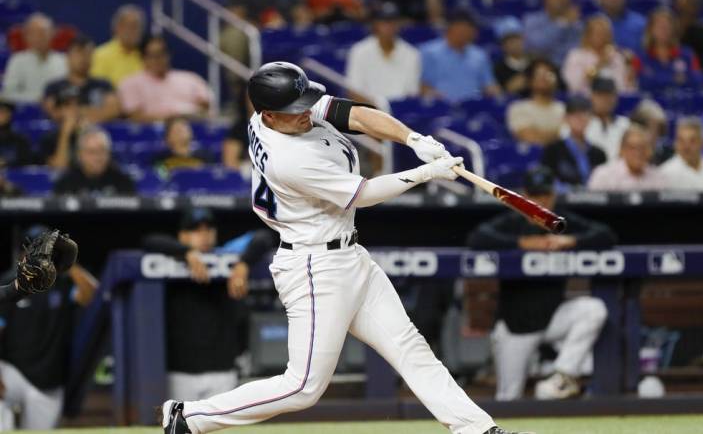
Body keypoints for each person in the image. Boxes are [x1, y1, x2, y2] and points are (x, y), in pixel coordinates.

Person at [160, 61, 530, 434]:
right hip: (314, 265)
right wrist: (424, 173)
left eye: (305, 104)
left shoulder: (282, 110)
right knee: (303, 387)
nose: (306, 113)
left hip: (348, 255)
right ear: (268, 116)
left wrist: (412, 139)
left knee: (408, 345)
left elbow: (354, 115)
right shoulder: (288, 159)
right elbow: (362, 194)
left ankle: (477, 429)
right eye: (295, 110)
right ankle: (189, 418)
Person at [467, 166, 615, 401]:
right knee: (508, 396)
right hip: (516, 326)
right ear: (523, 197)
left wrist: (571, 240)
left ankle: (563, 376)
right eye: (534, 196)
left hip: (553, 317)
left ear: (553, 195)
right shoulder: (511, 222)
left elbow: (605, 234)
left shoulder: (559, 221)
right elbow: (477, 238)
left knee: (593, 309)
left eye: (545, 195)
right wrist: (522, 243)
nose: (541, 201)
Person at [142, 209, 274, 402]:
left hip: (222, 371)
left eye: (208, 229)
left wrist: (244, 264)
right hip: (179, 374)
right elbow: (149, 240)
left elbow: (264, 236)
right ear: (183, 235)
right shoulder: (170, 257)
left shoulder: (227, 255)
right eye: (195, 230)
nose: (203, 235)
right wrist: (185, 252)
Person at [0, 226, 91, 430]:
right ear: (23, 255)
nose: (40, 260)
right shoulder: (9, 281)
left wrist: (69, 265)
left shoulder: (63, 283)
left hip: (48, 379)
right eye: (34, 254)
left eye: (46, 255)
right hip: (12, 372)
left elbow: (92, 295)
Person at [118, 36, 213, 123]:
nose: (158, 59)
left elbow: (206, 107)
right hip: (155, 133)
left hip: (193, 126)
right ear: (143, 58)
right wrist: (171, 119)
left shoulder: (190, 78)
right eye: (153, 55)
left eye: (162, 54)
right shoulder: (131, 83)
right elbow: (136, 117)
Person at [420, 8, 501, 103]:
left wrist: (496, 93)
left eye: (473, 28)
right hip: (441, 108)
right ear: (454, 27)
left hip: (472, 108)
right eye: (469, 27)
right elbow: (423, 86)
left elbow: (489, 85)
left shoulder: (479, 55)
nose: (473, 32)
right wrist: (432, 95)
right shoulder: (429, 52)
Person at [345, 2, 420, 102]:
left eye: (393, 22)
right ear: (376, 24)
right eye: (385, 22)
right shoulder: (359, 51)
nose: (389, 26)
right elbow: (353, 91)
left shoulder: (412, 54)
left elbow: (412, 92)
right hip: (368, 110)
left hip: (400, 113)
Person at [42, 36, 120, 124]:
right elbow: (52, 113)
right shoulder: (54, 87)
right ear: (67, 57)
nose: (84, 57)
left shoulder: (104, 85)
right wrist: (92, 112)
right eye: (79, 52)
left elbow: (113, 110)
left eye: (88, 53)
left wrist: (76, 114)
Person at [540, 95, 606, 190]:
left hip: (595, 202)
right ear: (566, 118)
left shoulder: (599, 154)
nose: (579, 118)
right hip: (562, 203)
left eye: (584, 113)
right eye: (574, 113)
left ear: (590, 118)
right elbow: (546, 182)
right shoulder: (552, 150)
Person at [632, 7, 703, 95]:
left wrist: (656, 80)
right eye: (659, 27)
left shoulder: (687, 55)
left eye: (667, 27)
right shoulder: (640, 57)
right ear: (650, 30)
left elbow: (697, 82)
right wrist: (676, 80)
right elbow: (638, 84)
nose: (663, 30)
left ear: (673, 30)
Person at [562, 14, 635, 96]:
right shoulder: (576, 56)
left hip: (613, 101)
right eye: (598, 33)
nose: (602, 37)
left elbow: (622, 88)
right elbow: (574, 86)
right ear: (588, 35)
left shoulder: (616, 57)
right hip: (584, 101)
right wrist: (599, 65)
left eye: (605, 33)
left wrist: (630, 80)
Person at [1, 13, 67, 103]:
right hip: (26, 113)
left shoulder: (64, 61)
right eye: (32, 33)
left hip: (59, 112)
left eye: (42, 33)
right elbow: (8, 94)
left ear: (52, 33)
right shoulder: (17, 61)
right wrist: (38, 99)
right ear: (26, 36)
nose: (38, 38)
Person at [52, 126, 136, 195]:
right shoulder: (65, 183)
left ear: (109, 154)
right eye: (92, 152)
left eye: (102, 151)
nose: (98, 157)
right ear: (80, 155)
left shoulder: (123, 182)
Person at [588, 124, 667, 191]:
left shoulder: (658, 177)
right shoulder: (603, 176)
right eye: (632, 148)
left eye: (642, 147)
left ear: (649, 151)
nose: (638, 153)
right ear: (622, 150)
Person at [506, 58, 565, 145]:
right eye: (539, 74)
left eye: (549, 74)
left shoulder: (564, 109)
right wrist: (559, 134)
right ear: (530, 80)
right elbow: (530, 138)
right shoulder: (518, 108)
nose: (544, 78)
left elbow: (573, 140)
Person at [91, 5, 146, 87]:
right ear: (118, 28)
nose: (136, 31)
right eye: (132, 26)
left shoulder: (146, 56)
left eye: (139, 27)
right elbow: (97, 87)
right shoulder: (100, 55)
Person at [522, 0, 582, 65]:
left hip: (571, 70)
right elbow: (537, 46)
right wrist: (562, 23)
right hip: (542, 70)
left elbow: (577, 49)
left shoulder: (576, 24)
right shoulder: (532, 21)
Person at [585, 76, 631, 162]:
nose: (605, 99)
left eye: (609, 95)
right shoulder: (582, 123)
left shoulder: (625, 124)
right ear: (591, 96)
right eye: (600, 95)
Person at [492, 17, 531, 98]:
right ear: (503, 45)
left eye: (517, 39)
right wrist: (507, 89)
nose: (515, 44)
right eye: (510, 40)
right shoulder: (497, 69)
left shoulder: (535, 64)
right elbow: (495, 95)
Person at [629, 99, 673, 165]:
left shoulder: (668, 154)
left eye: (659, 129)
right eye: (654, 128)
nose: (657, 134)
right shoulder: (629, 152)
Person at [0, 99, 33, 168]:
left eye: (3, 111)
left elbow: (26, 165)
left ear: (10, 114)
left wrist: (6, 163)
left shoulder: (21, 139)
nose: (1, 115)